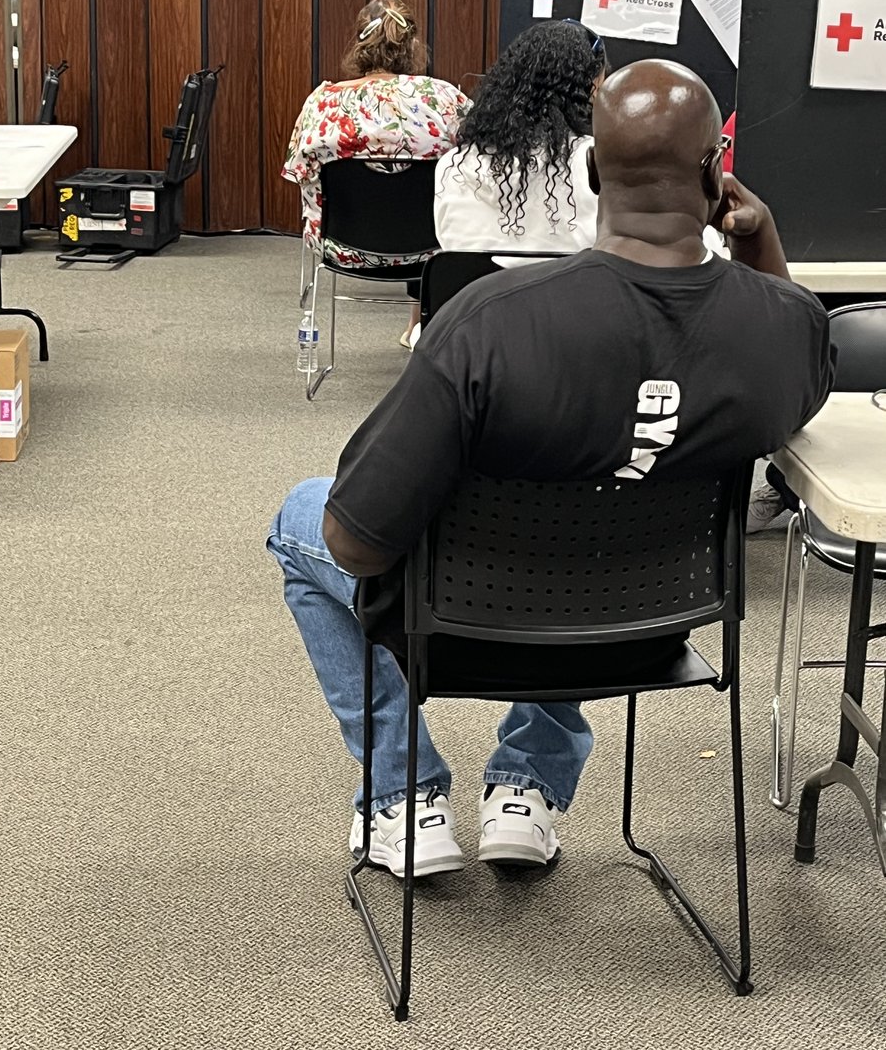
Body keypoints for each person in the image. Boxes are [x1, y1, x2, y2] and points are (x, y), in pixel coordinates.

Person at [268, 61, 834, 879]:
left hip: (466, 627)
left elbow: (353, 543)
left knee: (299, 521)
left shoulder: (489, 325)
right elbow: (803, 359)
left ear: (594, 170)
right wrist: (760, 240)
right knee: (600, 500)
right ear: (717, 174)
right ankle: (527, 790)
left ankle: (404, 798)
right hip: (646, 629)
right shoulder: (777, 326)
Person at [282, 0, 469, 347]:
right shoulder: (445, 99)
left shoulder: (322, 103)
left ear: (359, 44)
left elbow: (300, 173)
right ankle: (420, 324)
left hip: (343, 247)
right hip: (432, 249)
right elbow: (474, 164)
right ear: (413, 45)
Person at [434, 20, 605, 252]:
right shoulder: (594, 163)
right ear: (589, 89)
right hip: (561, 287)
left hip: (474, 288)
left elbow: (449, 245)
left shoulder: (452, 166)